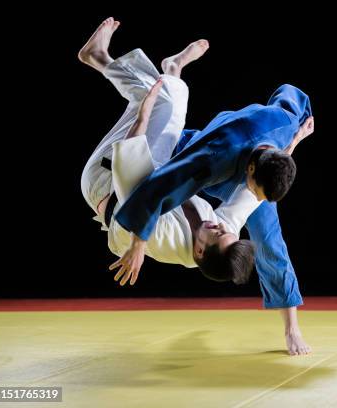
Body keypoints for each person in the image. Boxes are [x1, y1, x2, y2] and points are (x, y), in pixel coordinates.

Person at [79, 18, 258, 285]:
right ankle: (171, 68)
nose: (222, 226)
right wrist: (289, 147)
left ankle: (102, 59)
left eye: (219, 234)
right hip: (152, 170)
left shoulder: (165, 238)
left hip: (107, 181)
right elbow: (252, 196)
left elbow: (131, 180)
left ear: (198, 252)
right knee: (171, 110)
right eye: (227, 231)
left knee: (159, 102)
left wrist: (143, 115)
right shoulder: (221, 235)